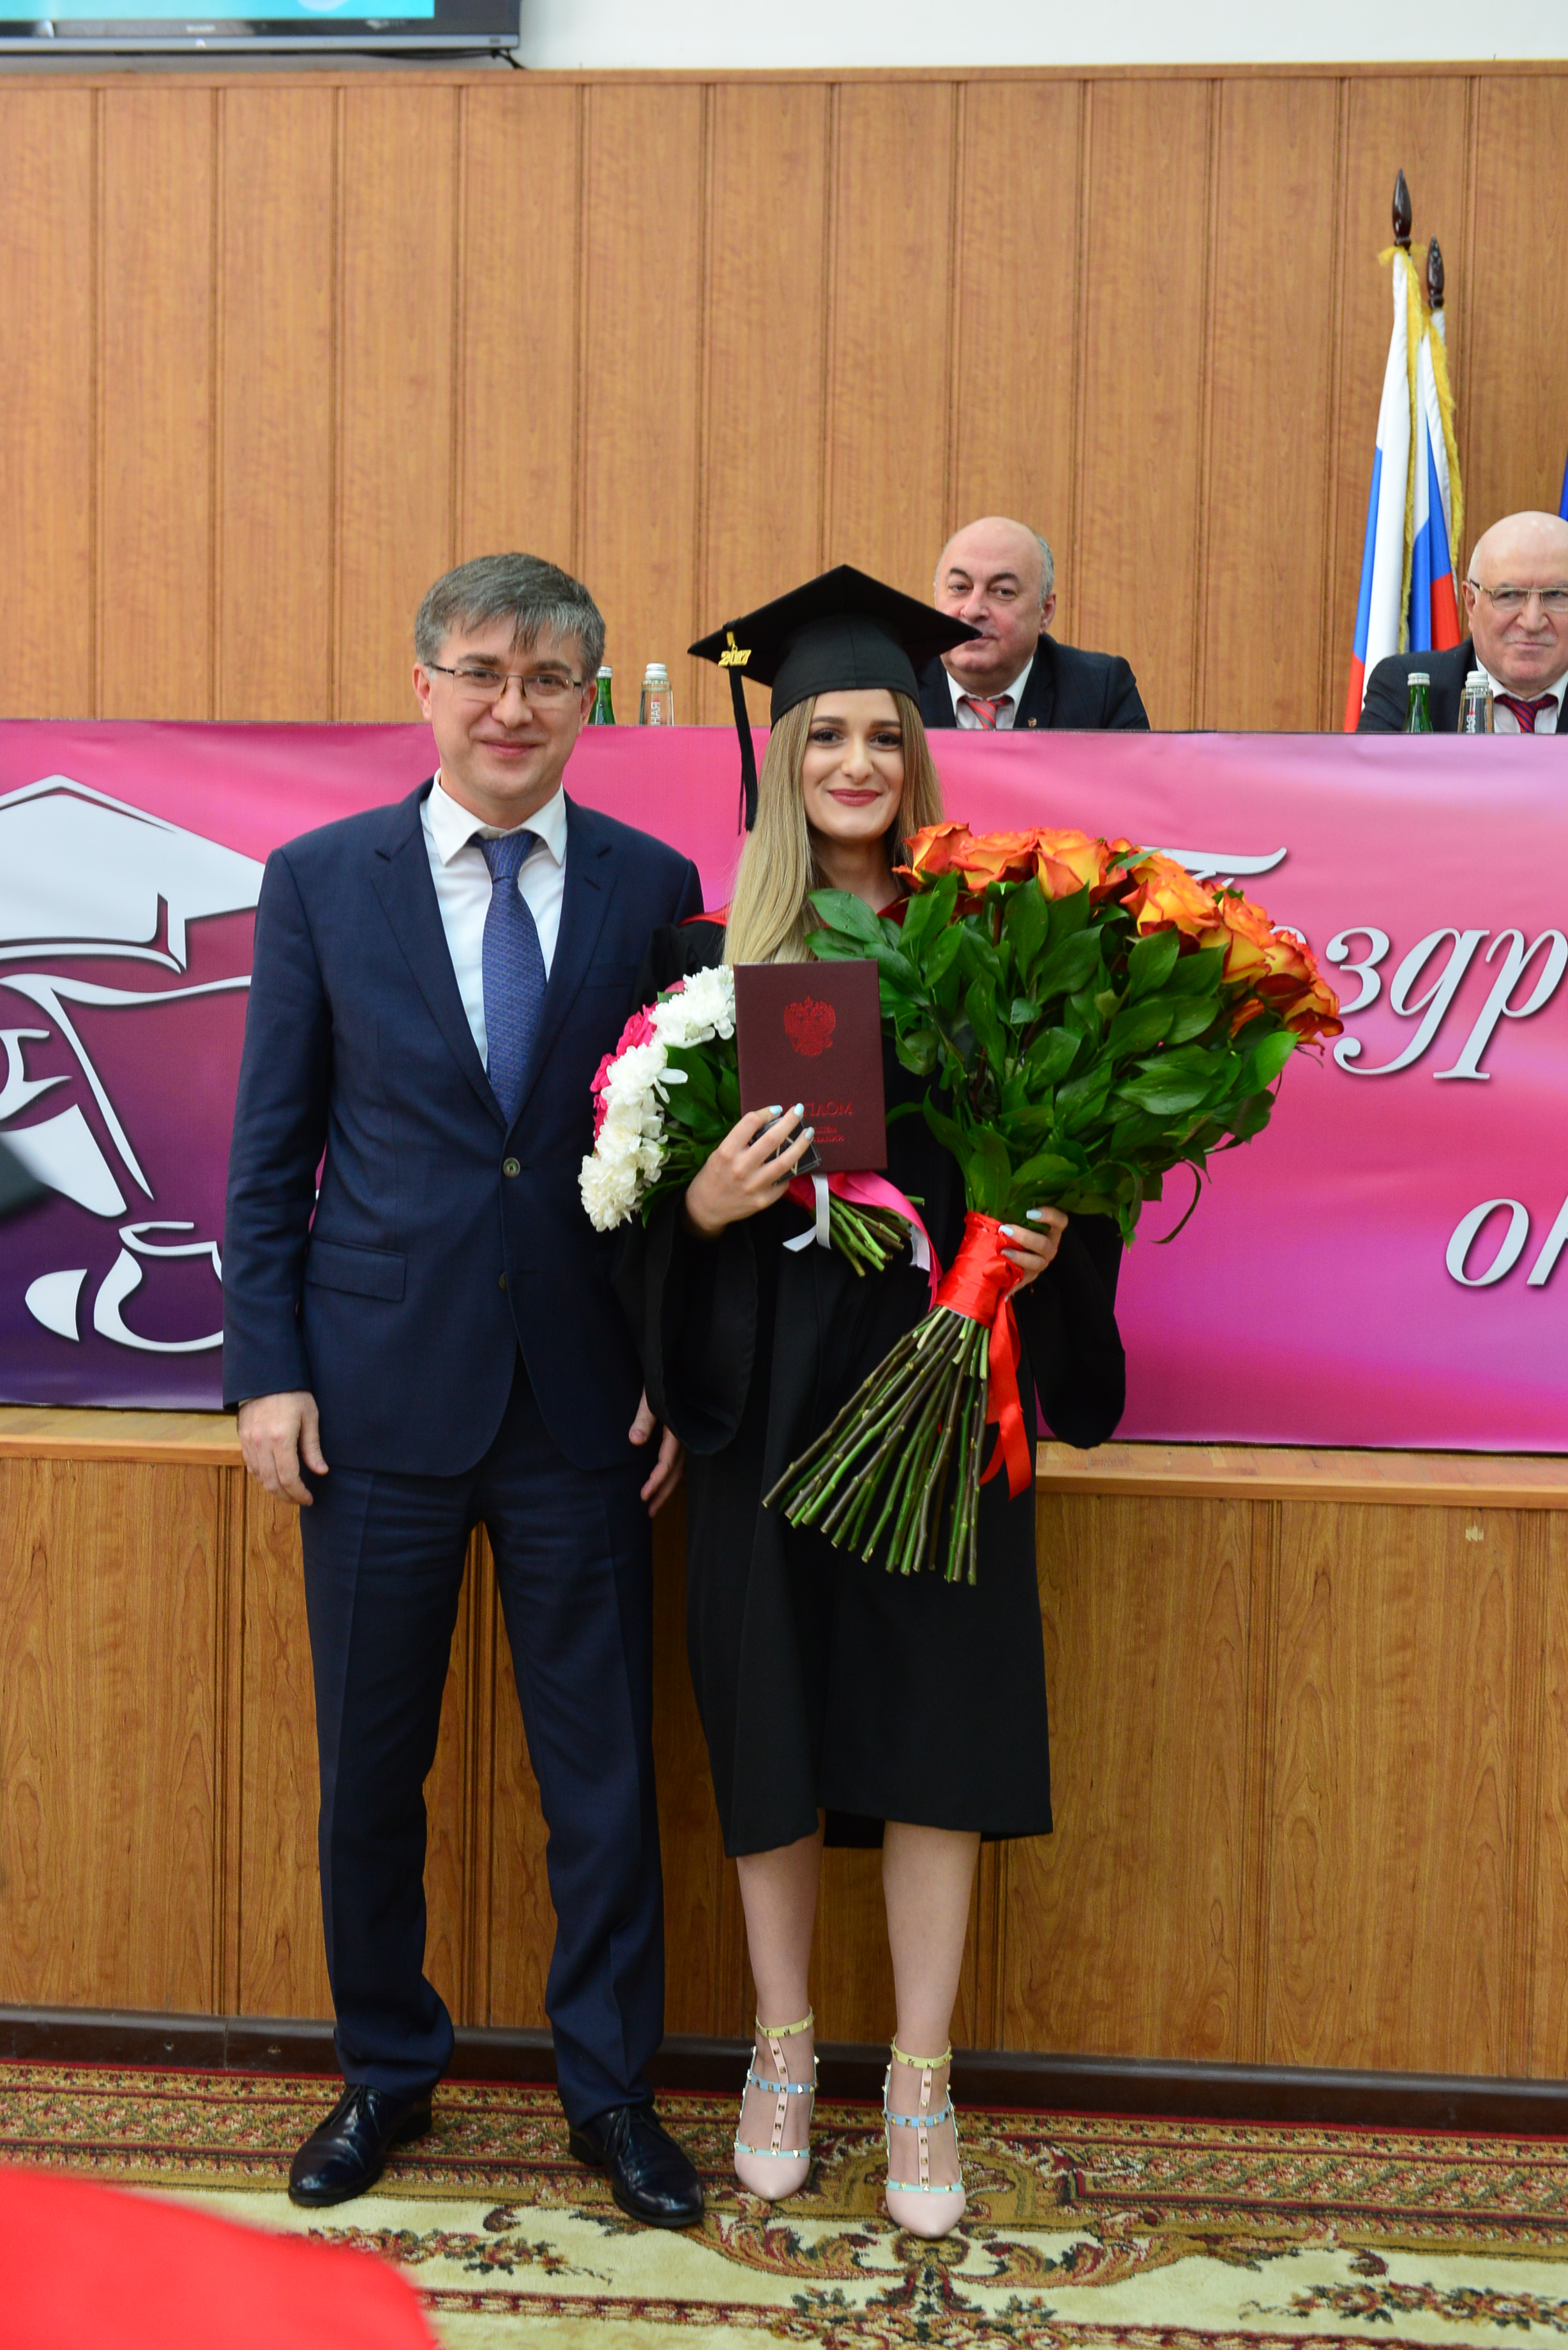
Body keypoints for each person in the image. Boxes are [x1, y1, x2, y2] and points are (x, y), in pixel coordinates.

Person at [626, 568, 1125, 2240]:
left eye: (883, 735)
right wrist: (703, 1212)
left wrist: (1047, 1240)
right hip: (769, 1387)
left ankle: (921, 2070)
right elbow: (624, 1204)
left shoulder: (995, 945)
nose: (855, 762)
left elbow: (1067, 1161)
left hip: (945, 1379)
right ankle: (783, 2045)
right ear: (782, 759)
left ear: (921, 754)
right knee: (767, 1708)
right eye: (824, 734)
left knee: (934, 1722)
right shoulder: (705, 959)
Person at [222, 554, 707, 2227]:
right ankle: (384, 2069)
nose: (514, 706)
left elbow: (677, 1165)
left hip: (585, 1410)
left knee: (605, 1784)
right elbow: (268, 1152)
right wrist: (268, 1372)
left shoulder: (654, 884)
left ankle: (611, 2094)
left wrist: (672, 1375)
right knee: (371, 1772)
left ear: (588, 704)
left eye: (549, 678)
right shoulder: (319, 882)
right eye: (484, 671)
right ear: (423, 684)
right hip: (372, 1404)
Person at [919, 514, 1148, 732]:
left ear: (1045, 612)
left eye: (1003, 591)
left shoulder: (1100, 693)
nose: (972, 610)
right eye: (959, 588)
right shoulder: (901, 684)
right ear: (936, 598)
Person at [1357, 510, 1568, 732]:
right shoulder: (1407, 688)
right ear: (1471, 603)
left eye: (1556, 595)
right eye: (1509, 595)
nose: (1532, 622)